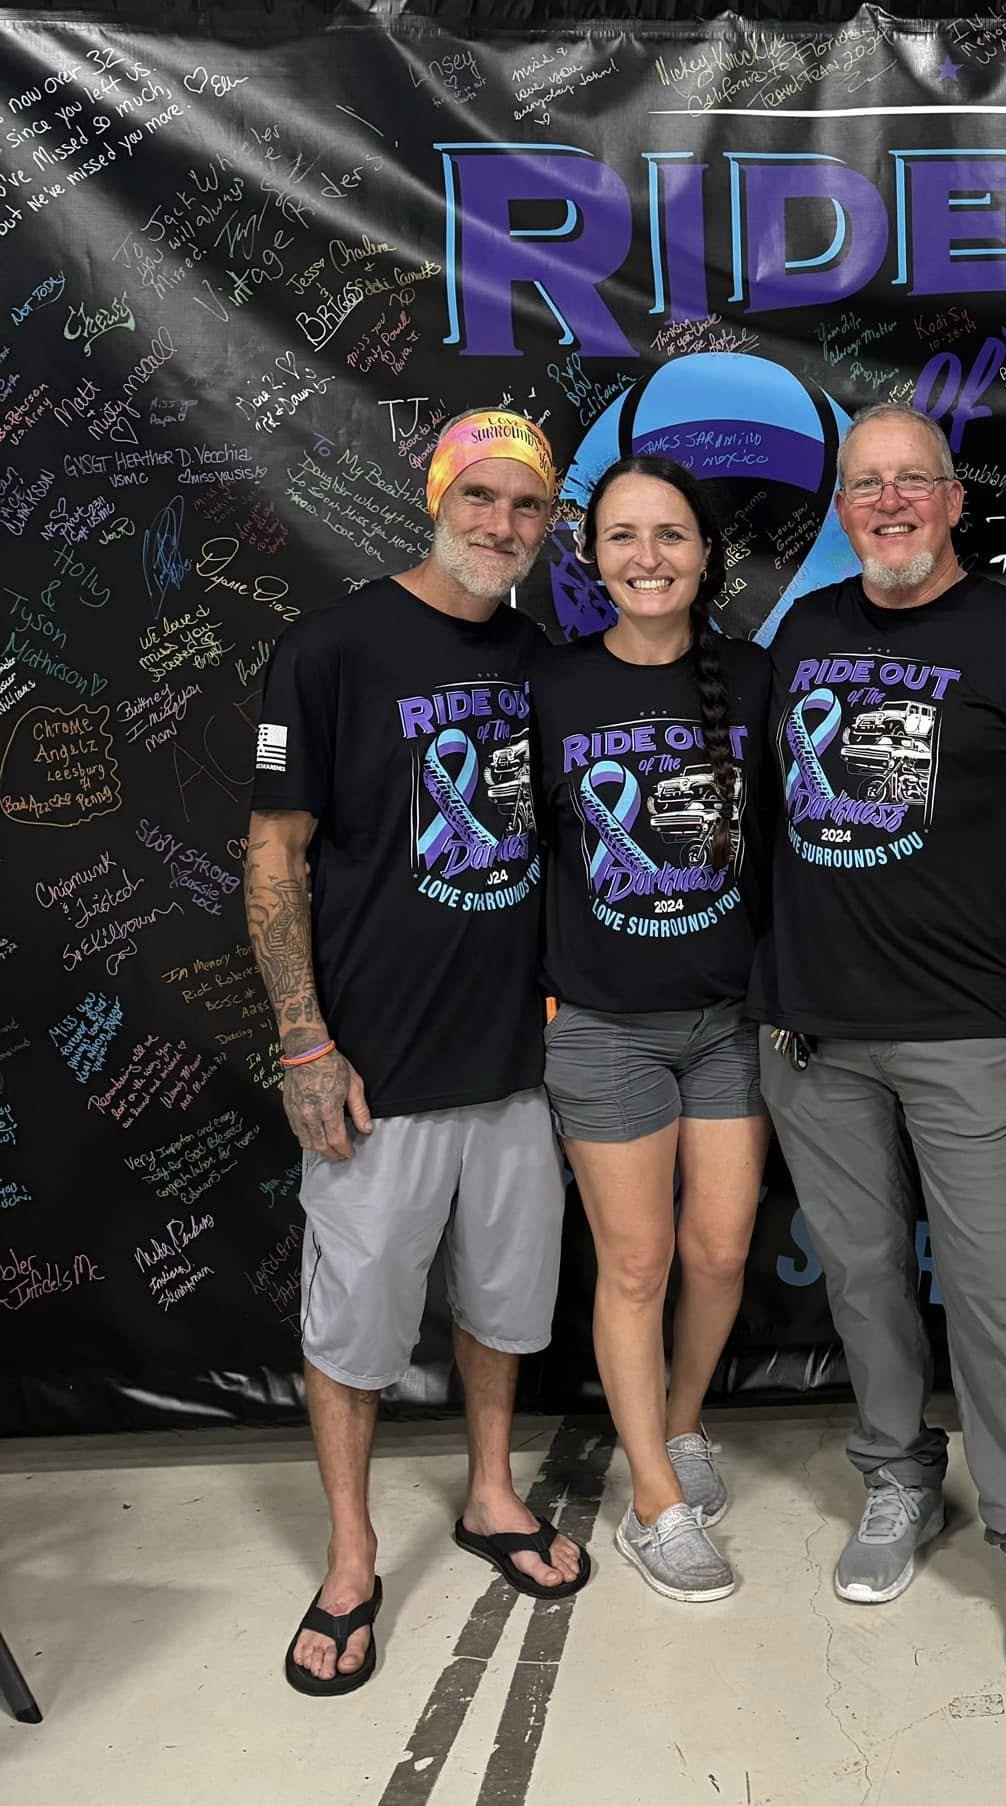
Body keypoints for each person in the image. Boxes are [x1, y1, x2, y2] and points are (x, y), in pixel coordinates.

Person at [750, 402, 1006, 1684]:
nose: (891, 502)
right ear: (841, 506)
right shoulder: (802, 630)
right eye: (867, 484)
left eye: (915, 481)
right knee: (859, 1280)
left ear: (956, 501)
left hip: (963, 1032)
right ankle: (898, 1478)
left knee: (994, 1291)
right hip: (809, 1031)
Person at [245, 409, 588, 1699]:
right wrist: (301, 1039)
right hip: (375, 1068)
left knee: (502, 1305)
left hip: (516, 1061)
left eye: (528, 507)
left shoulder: (546, 661)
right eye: (482, 497)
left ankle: (490, 1493)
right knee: (355, 1327)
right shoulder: (332, 650)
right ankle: (348, 1556)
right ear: (437, 495)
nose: (502, 525)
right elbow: (274, 854)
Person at [528, 455, 772, 1603]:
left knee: (719, 1251)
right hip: (606, 1029)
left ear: (706, 554)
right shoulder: (549, 687)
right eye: (621, 536)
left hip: (729, 1023)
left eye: (669, 535)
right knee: (637, 1261)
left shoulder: (761, 680)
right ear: (589, 558)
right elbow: (506, 855)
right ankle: (652, 1504)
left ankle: (678, 1427)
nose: (646, 558)